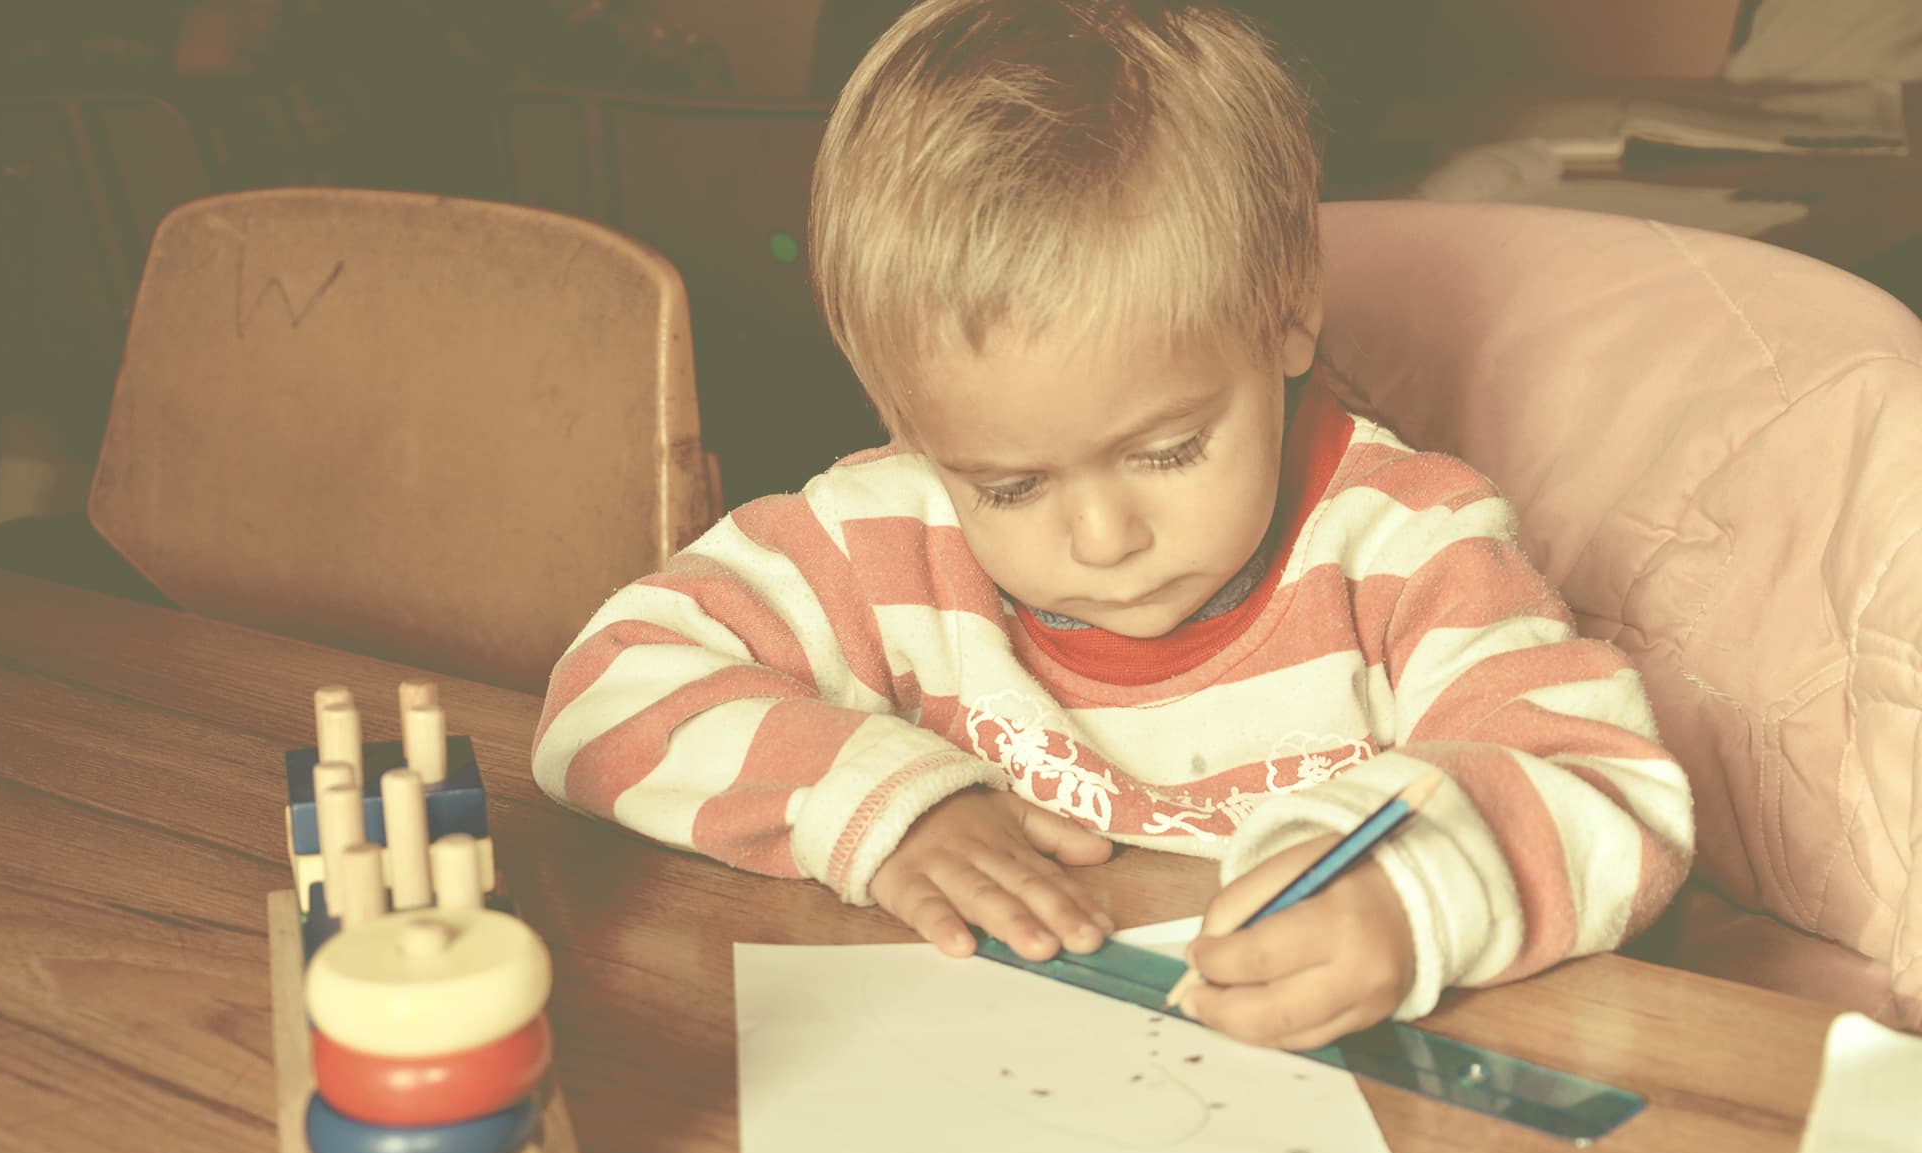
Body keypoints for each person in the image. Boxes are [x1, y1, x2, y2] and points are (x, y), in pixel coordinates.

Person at [531, 0, 1694, 1050]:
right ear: (908, 417)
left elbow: (1610, 788)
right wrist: (889, 806)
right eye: (1008, 485)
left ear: (1285, 315)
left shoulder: (1405, 548)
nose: (1099, 537)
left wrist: (1405, 893)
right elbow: (604, 691)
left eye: (1165, 450)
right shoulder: (881, 532)